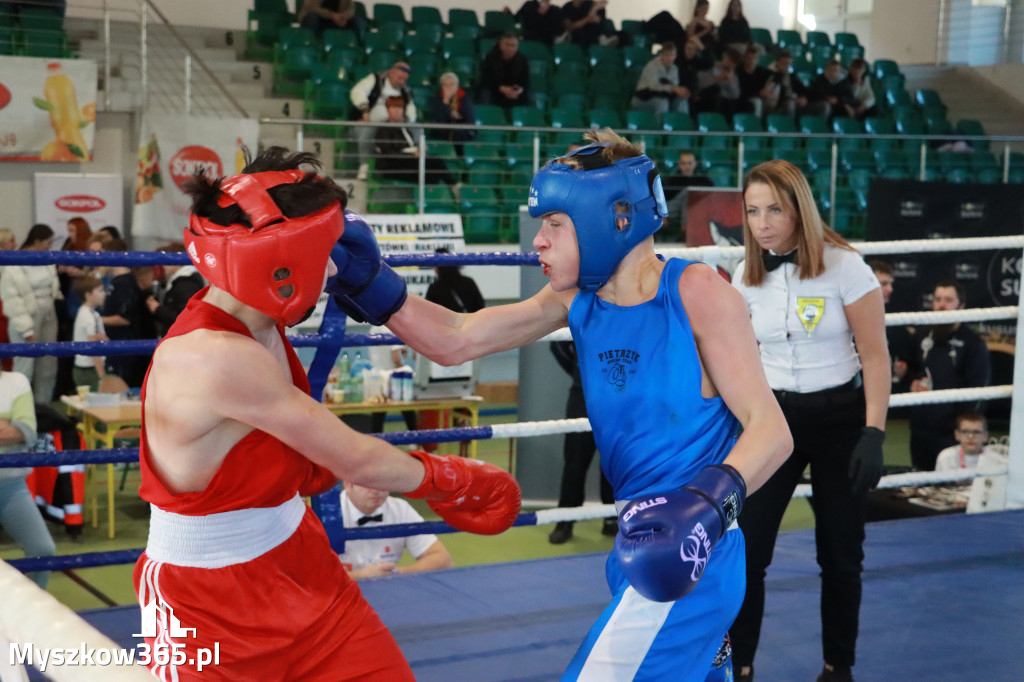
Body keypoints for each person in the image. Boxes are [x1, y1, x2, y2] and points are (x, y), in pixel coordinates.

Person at [327, 128, 792, 680]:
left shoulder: (694, 292)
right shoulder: (576, 298)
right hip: (638, 546)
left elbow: (771, 430)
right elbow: (457, 337)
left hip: (695, 557)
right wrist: (369, 282)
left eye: (554, 224)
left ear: (614, 218)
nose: (538, 242)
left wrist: (705, 507)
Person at [132, 146, 520, 680]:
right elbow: (355, 456)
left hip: (301, 561)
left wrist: (380, 289)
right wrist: (449, 477)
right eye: (323, 250)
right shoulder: (213, 357)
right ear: (277, 264)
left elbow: (454, 337)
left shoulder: (256, 317)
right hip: (208, 603)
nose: (334, 265)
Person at [728, 159, 890, 682]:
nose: (762, 222)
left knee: (841, 556)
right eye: (753, 211)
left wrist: (873, 431)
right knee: (747, 554)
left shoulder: (846, 267)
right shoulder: (743, 275)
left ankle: (836, 665)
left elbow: (877, 355)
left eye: (774, 209)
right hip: (775, 422)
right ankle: (741, 665)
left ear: (799, 208)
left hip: (841, 421)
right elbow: (737, 360)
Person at [905, 280, 990, 471]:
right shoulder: (921, 336)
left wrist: (962, 431)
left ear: (961, 306)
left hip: (950, 435)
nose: (941, 305)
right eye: (937, 299)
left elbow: (979, 391)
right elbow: (910, 371)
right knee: (919, 487)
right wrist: (910, 381)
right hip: (920, 431)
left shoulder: (973, 344)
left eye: (948, 300)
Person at [547, 340, 616, 544]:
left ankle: (612, 517)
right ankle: (565, 520)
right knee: (575, 462)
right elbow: (556, 345)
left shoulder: (624, 313)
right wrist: (578, 372)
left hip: (616, 395)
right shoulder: (582, 310)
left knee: (612, 461)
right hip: (582, 395)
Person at [0, 369, 56, 589]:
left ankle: (28, 614)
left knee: (43, 550)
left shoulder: (16, 381)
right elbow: (14, 432)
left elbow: (27, 432)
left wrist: (17, 430)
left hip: (10, 486)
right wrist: (6, 425)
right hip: (11, 484)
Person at [337, 480, 454, 578]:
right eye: (368, 482)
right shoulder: (328, 514)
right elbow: (319, 579)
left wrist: (399, 573)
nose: (376, 490)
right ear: (347, 484)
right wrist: (361, 576)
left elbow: (443, 559)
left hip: (387, 591)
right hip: (339, 594)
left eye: (383, 482)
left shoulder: (400, 509)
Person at [0, 224, 61, 402]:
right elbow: (12, 299)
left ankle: (44, 408)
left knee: (48, 363)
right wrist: (26, 329)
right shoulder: (14, 264)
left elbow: (53, 286)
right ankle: (21, 410)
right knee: (25, 366)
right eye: (48, 242)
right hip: (26, 316)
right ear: (37, 241)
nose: (50, 246)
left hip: (49, 313)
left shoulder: (47, 259)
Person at [349, 61, 416, 180]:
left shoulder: (405, 90)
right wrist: (364, 109)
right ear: (391, 72)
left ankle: (415, 153)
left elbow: (411, 109)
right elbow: (357, 92)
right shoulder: (375, 80)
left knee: (417, 129)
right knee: (367, 131)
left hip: (393, 125)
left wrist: (406, 119)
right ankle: (364, 165)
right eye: (400, 77)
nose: (402, 80)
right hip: (370, 122)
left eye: (404, 78)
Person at [374, 96, 460, 188]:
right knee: (434, 161)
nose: (397, 111)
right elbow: (388, 153)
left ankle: (431, 197)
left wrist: (419, 149)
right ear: (388, 110)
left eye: (399, 108)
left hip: (407, 162)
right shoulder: (383, 129)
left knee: (433, 174)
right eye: (393, 108)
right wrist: (410, 154)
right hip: (392, 166)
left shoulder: (406, 128)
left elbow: (411, 145)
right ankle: (452, 185)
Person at [102, 264, 158, 388]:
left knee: (130, 384)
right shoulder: (126, 284)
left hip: (129, 346)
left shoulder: (124, 284)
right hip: (132, 345)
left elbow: (125, 318)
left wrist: (96, 319)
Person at [150, 243, 205, 337]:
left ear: (178, 261)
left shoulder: (186, 284)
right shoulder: (182, 281)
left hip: (181, 337)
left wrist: (157, 309)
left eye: (167, 260)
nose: (163, 265)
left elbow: (183, 317)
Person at [662, 150, 714, 240]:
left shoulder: (703, 181)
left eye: (689, 163)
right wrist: (661, 215)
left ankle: (686, 228)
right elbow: (660, 200)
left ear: (695, 164)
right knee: (688, 192)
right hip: (672, 209)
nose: (687, 166)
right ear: (679, 164)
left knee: (689, 194)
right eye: (684, 163)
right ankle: (685, 228)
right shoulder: (670, 180)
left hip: (695, 209)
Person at [630, 41, 692, 115]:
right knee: (662, 103)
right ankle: (660, 125)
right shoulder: (652, 66)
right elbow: (653, 86)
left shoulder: (674, 68)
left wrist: (680, 92)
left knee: (682, 102)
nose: (670, 58)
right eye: (667, 55)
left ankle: (681, 125)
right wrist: (673, 89)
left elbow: (675, 84)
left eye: (672, 55)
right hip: (643, 98)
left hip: (663, 96)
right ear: (661, 54)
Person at [427, 72, 478, 154]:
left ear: (457, 86)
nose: (449, 88)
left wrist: (455, 117)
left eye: (452, 85)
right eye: (445, 85)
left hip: (461, 135)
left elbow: (470, 121)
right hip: (442, 133)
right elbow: (438, 121)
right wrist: (445, 102)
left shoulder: (464, 99)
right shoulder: (437, 99)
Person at [71, 274, 107, 391]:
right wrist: (102, 374)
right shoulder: (88, 316)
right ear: (88, 295)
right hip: (89, 370)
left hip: (88, 368)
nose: (104, 294)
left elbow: (102, 340)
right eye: (100, 291)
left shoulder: (92, 314)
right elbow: (93, 348)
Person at [478, 33, 532, 109]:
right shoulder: (490, 58)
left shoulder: (522, 59)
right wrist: (501, 89)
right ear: (500, 45)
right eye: (507, 45)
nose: (510, 48)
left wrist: (519, 90)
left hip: (514, 91)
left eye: (513, 45)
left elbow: (525, 81)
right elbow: (486, 79)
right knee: (485, 93)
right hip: (495, 90)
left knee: (529, 97)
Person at [764, 49, 823, 119]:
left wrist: (804, 98)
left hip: (796, 104)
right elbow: (775, 96)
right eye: (784, 63)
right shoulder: (770, 76)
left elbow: (803, 90)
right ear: (777, 63)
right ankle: (790, 126)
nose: (786, 66)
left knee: (823, 106)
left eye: (788, 63)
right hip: (779, 105)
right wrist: (794, 99)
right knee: (790, 104)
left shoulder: (792, 77)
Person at [736, 46, 774, 118]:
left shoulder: (761, 71)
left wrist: (768, 87)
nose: (752, 61)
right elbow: (743, 92)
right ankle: (757, 122)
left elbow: (775, 76)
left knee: (775, 90)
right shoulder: (738, 72)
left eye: (754, 58)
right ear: (744, 59)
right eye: (749, 58)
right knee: (757, 102)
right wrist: (759, 93)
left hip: (761, 96)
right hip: (743, 99)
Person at [297, 0, 364, 38]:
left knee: (357, 20)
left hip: (337, 22)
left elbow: (351, 9)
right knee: (313, 17)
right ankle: (308, 43)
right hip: (319, 21)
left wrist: (343, 17)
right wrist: (332, 16)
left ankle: (360, 47)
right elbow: (312, 8)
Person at [0, 228, 17, 371]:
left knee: (8, 357)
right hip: (3, 308)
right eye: (11, 241)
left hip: (8, 310)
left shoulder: (13, 262)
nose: (15, 244)